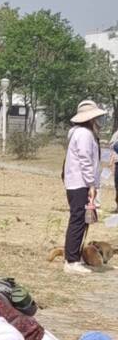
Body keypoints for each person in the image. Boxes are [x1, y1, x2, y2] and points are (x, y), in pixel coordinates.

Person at [62, 100, 106, 274]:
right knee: (78, 220)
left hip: (77, 183)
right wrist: (91, 184)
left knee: (81, 220)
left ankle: (74, 256)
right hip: (80, 183)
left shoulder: (78, 133)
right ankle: (71, 261)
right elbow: (85, 161)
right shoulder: (84, 134)